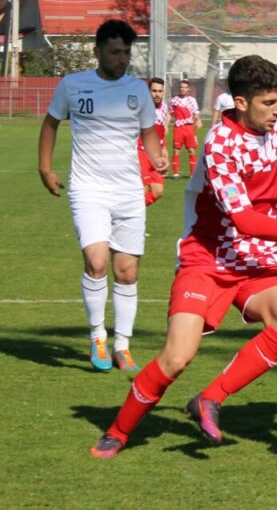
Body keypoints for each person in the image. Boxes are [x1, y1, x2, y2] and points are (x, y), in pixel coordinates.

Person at [89, 55, 277, 459]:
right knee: (178, 356)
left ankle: (210, 398)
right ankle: (118, 430)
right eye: (268, 103)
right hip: (208, 260)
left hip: (256, 263)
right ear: (240, 102)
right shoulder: (220, 144)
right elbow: (245, 220)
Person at [38, 19, 167, 373]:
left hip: (128, 191)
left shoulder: (138, 90)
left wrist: (156, 157)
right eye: (115, 52)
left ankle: (122, 344)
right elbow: (50, 123)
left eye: (126, 52)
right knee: (96, 263)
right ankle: (97, 335)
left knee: (127, 272)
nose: (122, 58)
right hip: (88, 189)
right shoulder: (73, 85)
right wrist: (46, 168)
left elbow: (149, 132)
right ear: (97, 52)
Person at [140, 77, 170, 206]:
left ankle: (131, 213)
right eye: (154, 91)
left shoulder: (164, 107)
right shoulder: (142, 108)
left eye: (160, 91)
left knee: (158, 191)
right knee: (144, 190)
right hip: (142, 153)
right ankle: (131, 219)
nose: (157, 94)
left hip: (157, 155)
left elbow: (162, 130)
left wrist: (164, 148)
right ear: (148, 91)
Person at [169, 78, 202, 179]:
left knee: (191, 150)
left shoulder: (192, 100)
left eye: (185, 87)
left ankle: (192, 174)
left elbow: (196, 113)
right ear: (179, 88)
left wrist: (198, 120)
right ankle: (175, 173)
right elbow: (170, 114)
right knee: (176, 150)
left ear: (188, 89)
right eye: (181, 87)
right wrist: (166, 125)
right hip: (178, 128)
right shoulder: (174, 101)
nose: (183, 89)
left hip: (189, 128)